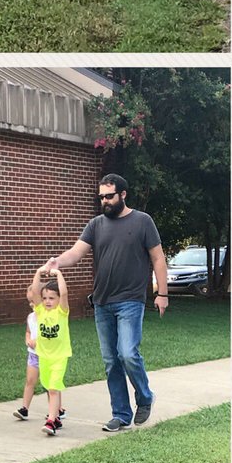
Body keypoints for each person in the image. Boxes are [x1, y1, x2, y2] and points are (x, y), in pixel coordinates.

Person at [49, 173, 168, 432]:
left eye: (109, 196)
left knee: (127, 353)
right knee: (111, 361)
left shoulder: (142, 221)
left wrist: (162, 294)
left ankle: (145, 397)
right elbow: (77, 252)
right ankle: (121, 414)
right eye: (101, 196)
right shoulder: (95, 225)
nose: (104, 201)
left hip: (131, 301)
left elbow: (158, 258)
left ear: (123, 195)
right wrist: (57, 261)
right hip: (102, 302)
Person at [28, 266, 71, 437]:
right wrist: (38, 273)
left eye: (52, 298)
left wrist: (58, 274)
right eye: (45, 298)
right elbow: (34, 293)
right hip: (43, 355)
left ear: (59, 300)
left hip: (59, 356)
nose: (47, 301)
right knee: (50, 387)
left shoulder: (62, 312)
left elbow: (65, 293)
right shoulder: (40, 311)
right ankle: (58, 417)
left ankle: (51, 421)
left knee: (53, 388)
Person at [13, 286, 39, 421]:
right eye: (29, 302)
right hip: (33, 355)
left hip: (47, 355)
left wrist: (38, 341)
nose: (31, 305)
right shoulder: (31, 317)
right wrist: (28, 340)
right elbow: (28, 331)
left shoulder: (49, 317)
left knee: (50, 385)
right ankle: (24, 408)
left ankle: (57, 409)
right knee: (30, 381)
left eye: (34, 301)